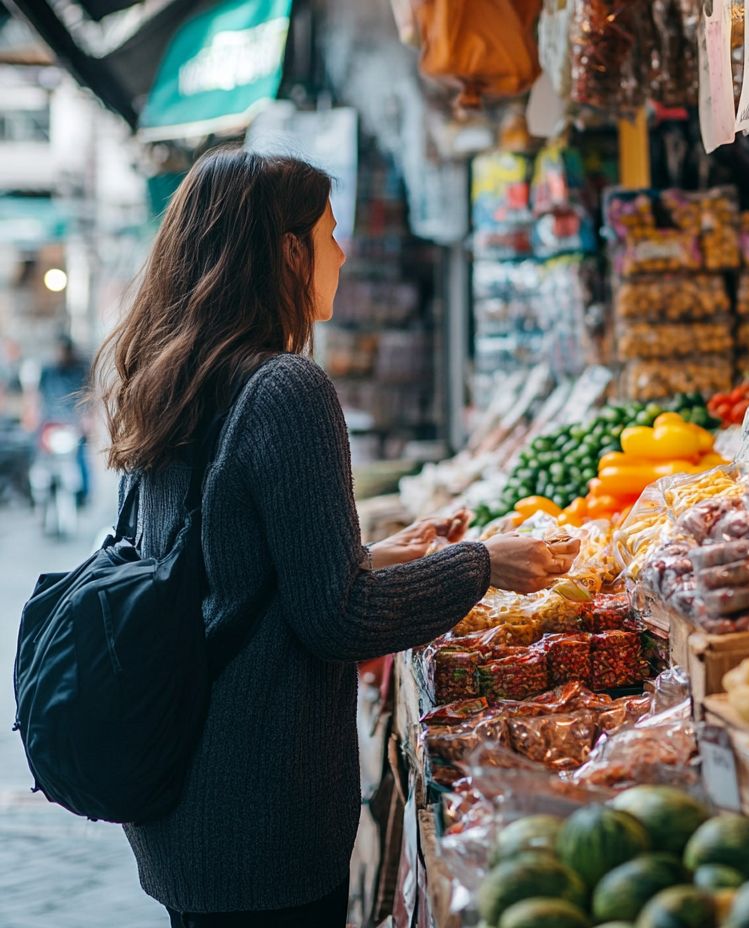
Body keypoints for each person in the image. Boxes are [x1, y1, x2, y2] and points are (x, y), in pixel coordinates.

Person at [90, 148, 579, 927]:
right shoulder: (286, 387)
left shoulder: (170, 378)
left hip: (183, 799)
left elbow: (233, 574)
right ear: (288, 250)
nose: (342, 253)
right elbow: (337, 619)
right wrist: (480, 565)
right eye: (328, 232)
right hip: (260, 813)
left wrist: (383, 556)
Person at [33, 334, 92, 505]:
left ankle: (83, 495)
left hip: (72, 424)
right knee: (41, 455)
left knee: (80, 456)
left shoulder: (80, 368)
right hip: (51, 423)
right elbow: (38, 395)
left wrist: (87, 419)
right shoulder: (47, 370)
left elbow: (87, 394)